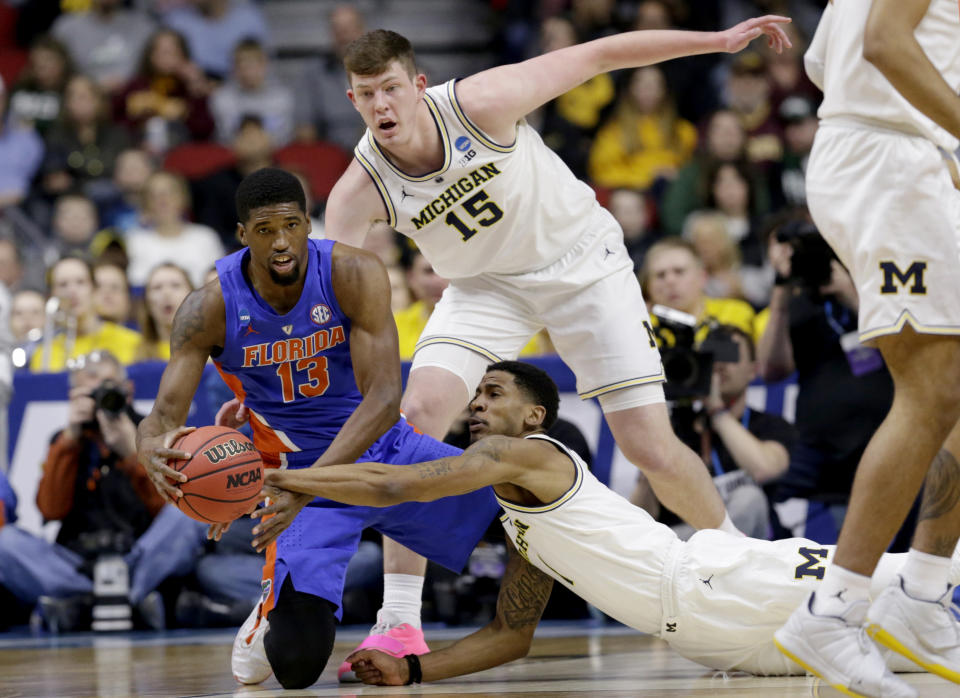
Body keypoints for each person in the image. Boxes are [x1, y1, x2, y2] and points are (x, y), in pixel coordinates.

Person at [319, 18, 793, 670]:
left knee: (647, 443)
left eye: (390, 89)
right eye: (365, 95)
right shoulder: (357, 190)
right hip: (487, 287)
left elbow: (599, 54)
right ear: (351, 101)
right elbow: (332, 311)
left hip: (582, 265)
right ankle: (399, 621)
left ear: (419, 85)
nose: (380, 105)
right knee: (418, 414)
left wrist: (715, 43)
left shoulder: (480, 103)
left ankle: (748, 569)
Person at [262, 360, 960, 685]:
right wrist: (415, 674)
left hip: (723, 579)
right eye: (474, 396)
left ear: (535, 416)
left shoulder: (529, 455)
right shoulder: (524, 518)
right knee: (927, 651)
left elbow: (397, 484)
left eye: (493, 394)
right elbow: (511, 635)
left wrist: (289, 478)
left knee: (926, 588)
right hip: (718, 643)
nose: (476, 406)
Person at [135, 168, 498, 689]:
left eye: (291, 225)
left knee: (517, 509)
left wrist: (310, 487)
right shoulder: (208, 306)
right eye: (264, 230)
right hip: (293, 472)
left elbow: (382, 399)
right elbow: (164, 416)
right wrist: (148, 445)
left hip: (378, 450)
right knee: (298, 667)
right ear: (243, 236)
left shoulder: (355, 271)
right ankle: (268, 614)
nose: (281, 242)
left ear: (308, 224)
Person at [773, 2, 960, 696]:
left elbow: (830, 61)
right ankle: (834, 610)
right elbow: (884, 43)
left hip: (900, 155)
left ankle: (923, 590)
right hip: (886, 163)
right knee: (931, 391)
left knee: (954, 388)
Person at [0, 351, 206, 631]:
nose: (100, 396)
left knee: (186, 519)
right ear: (74, 395)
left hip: (138, 554)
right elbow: (51, 509)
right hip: (76, 562)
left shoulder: (154, 433)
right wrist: (70, 439)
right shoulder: (64, 440)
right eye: (90, 389)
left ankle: (84, 606)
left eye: (108, 385)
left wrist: (132, 454)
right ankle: (129, 604)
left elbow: (171, 503)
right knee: (8, 542)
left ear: (128, 390)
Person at [29, 256, 142, 372]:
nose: (72, 291)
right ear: (52, 295)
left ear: (94, 289)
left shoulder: (133, 343)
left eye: (80, 282)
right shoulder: (44, 353)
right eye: (63, 284)